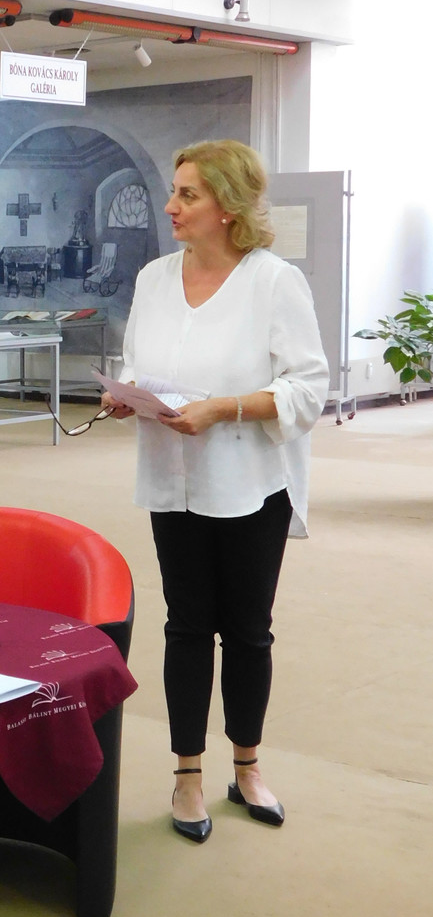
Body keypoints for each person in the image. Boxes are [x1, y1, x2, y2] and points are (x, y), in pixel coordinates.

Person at [101, 140, 328, 843]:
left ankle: (248, 766)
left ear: (228, 207)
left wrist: (222, 408)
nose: (169, 205)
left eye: (187, 194)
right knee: (186, 626)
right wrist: (126, 393)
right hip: (173, 482)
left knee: (248, 631)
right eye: (173, 191)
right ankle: (187, 776)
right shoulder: (153, 278)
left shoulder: (274, 282)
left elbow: (307, 388)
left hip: (251, 484)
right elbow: (137, 361)